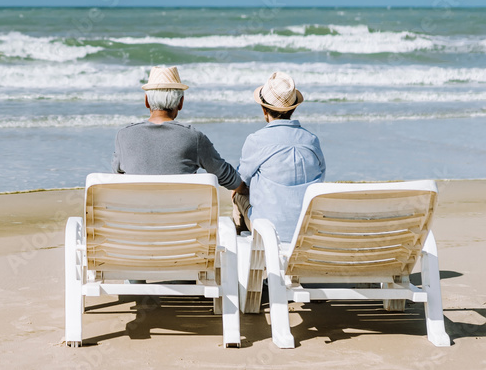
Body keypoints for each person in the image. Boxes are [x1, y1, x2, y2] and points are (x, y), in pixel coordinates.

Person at [113, 66, 241, 192]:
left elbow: (117, 176)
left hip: (136, 211)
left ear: (146, 101)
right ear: (181, 103)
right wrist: (243, 189)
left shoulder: (124, 136)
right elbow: (226, 177)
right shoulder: (194, 138)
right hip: (183, 211)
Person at [232, 71, 326, 241]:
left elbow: (240, 181)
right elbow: (320, 177)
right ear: (294, 108)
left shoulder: (256, 140)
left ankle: (244, 247)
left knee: (237, 195)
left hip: (267, 232)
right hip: (307, 228)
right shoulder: (311, 140)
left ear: (263, 109)